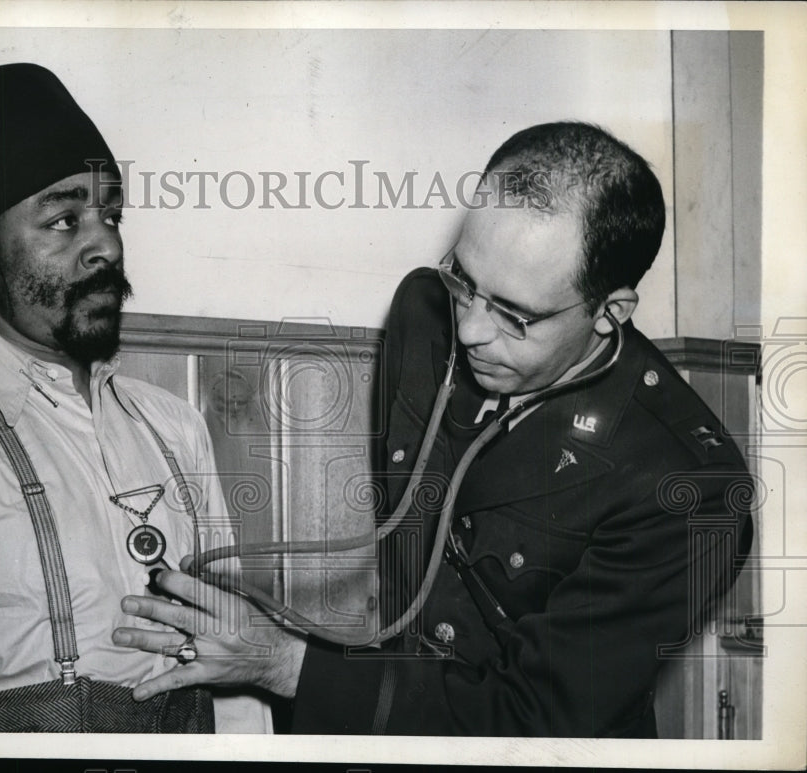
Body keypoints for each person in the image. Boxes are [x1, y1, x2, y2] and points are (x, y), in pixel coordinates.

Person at [112, 122, 754, 737]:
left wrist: (283, 662)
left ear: (610, 311)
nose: (471, 328)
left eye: (514, 315)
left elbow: (534, 721)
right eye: (466, 281)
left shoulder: (689, 491)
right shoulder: (425, 316)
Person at [0, 63, 269, 733]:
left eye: (110, 214)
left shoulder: (176, 429)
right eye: (64, 220)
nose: (104, 242)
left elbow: (238, 688)